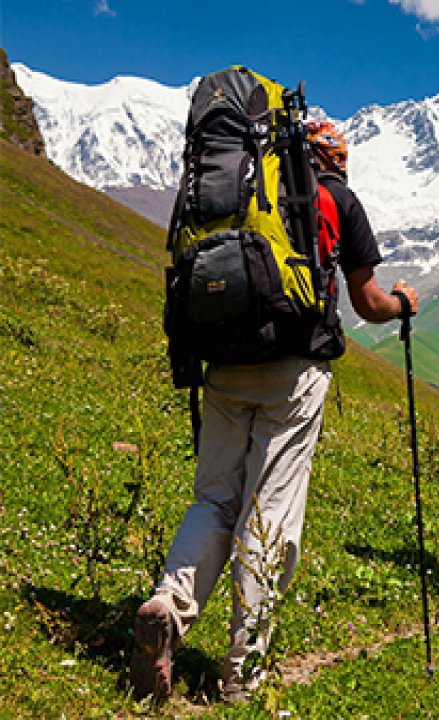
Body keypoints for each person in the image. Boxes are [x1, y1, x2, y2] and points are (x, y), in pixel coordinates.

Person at [130, 120, 419, 704]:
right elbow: (368, 301)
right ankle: (243, 673)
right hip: (292, 372)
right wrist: (402, 303)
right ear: (335, 158)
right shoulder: (334, 197)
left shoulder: (237, 194)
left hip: (224, 366)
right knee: (269, 517)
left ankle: (168, 604)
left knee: (213, 498)